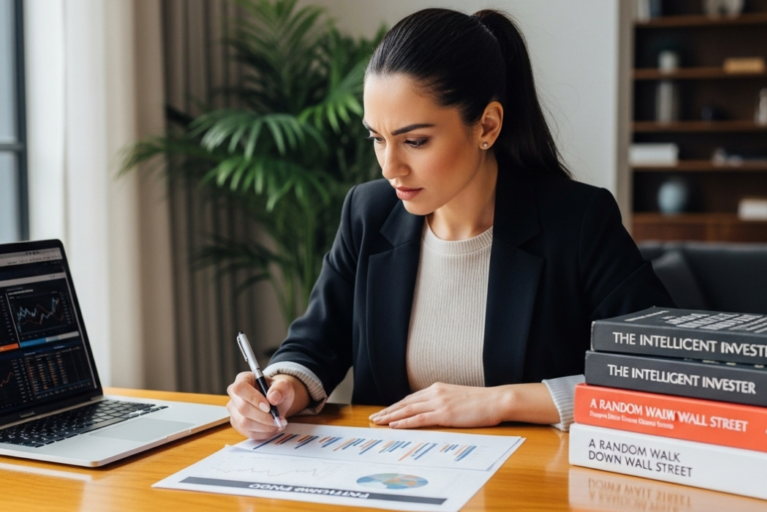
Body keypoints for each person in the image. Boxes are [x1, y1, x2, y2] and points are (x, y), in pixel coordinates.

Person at [226, 8, 673, 440]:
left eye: (415, 141)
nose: (390, 166)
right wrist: (283, 387)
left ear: (487, 126)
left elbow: (659, 374)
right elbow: (314, 345)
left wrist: (501, 402)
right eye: (377, 139)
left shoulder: (577, 222)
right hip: (394, 478)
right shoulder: (368, 212)